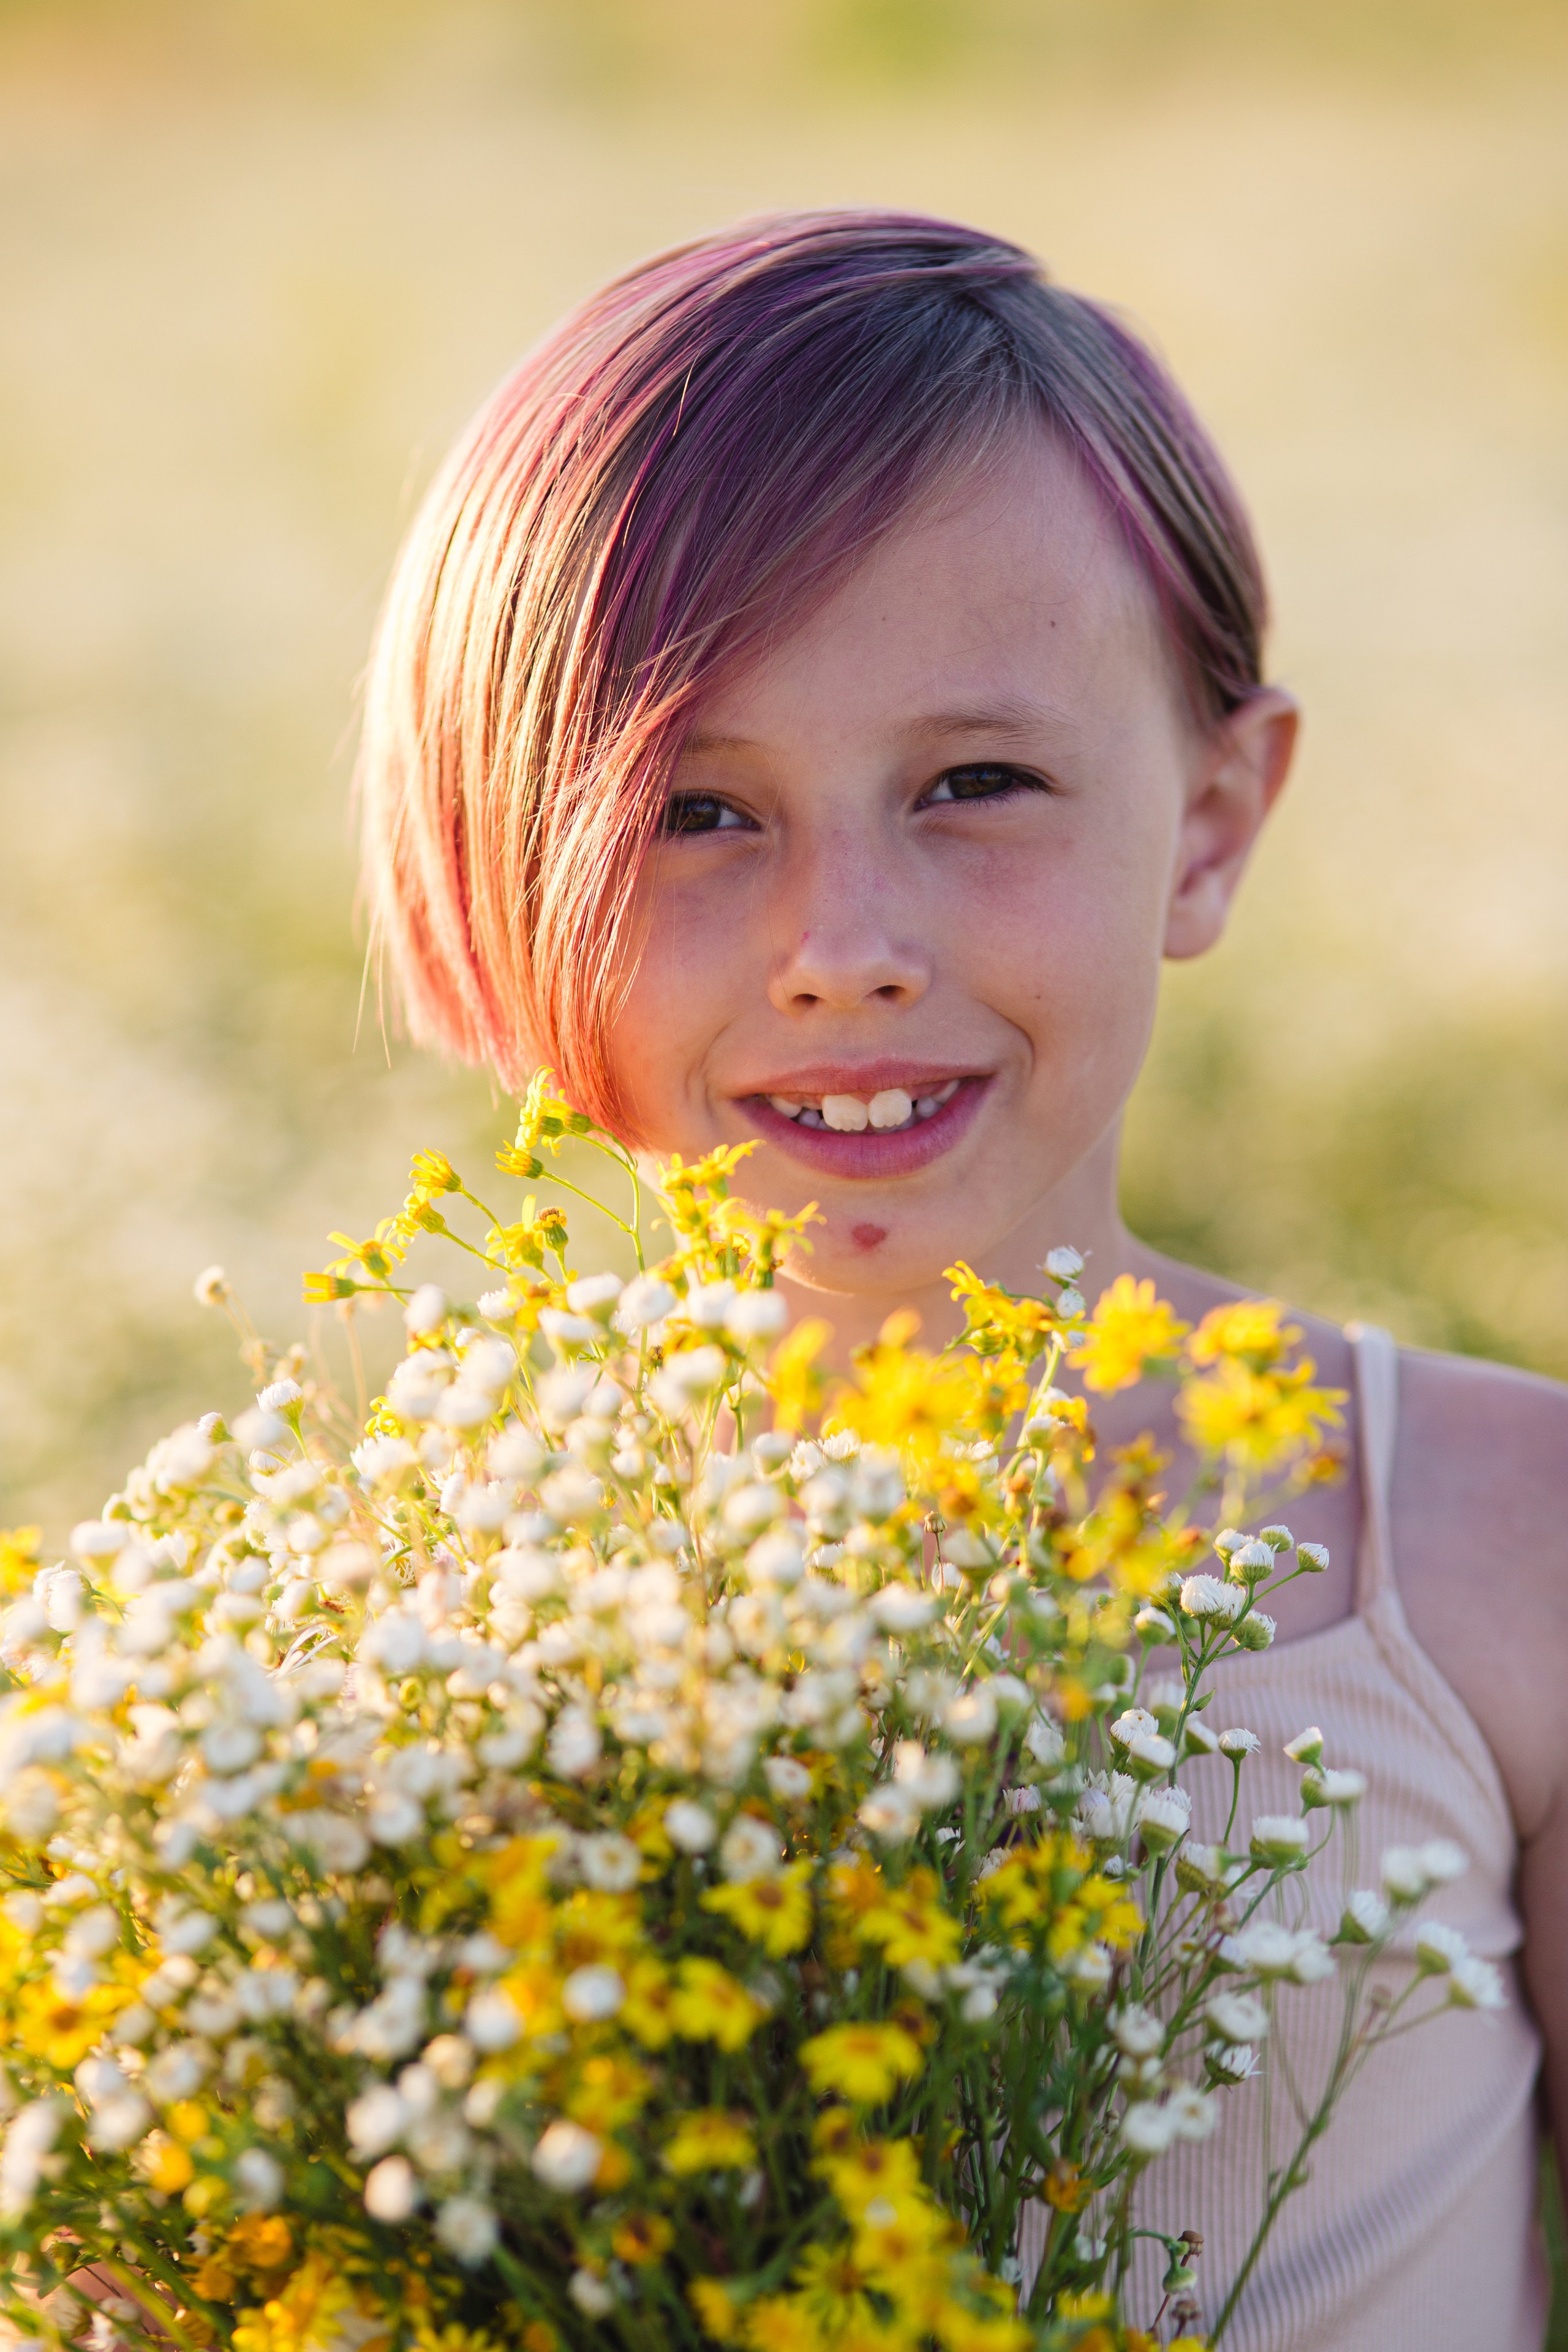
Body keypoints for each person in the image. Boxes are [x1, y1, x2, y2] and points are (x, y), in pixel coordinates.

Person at [357, 210, 1567, 2349]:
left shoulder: (1489, 1545)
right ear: (492, 848)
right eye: (694, 813)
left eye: (974, 784)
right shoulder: (363, 1643)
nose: (847, 940)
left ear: (1208, 820)